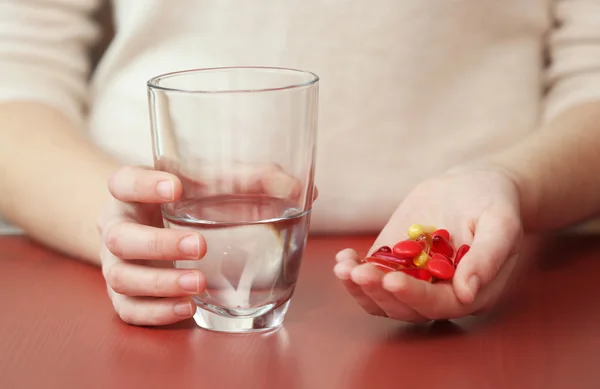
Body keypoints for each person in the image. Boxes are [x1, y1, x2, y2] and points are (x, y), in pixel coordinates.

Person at [1, 1, 600, 326]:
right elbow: (15, 76)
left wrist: (512, 183)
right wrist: (113, 225)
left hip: (537, 268)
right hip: (100, 270)